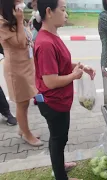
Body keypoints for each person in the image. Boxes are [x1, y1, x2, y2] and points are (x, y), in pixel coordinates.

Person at [33, 0, 95, 179]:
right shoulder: (45, 43)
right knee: (58, 139)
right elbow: (50, 80)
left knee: (59, 138)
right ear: (49, 12)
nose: (66, 14)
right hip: (53, 102)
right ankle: (60, 175)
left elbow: (62, 65)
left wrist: (81, 68)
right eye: (63, 10)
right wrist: (73, 76)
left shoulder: (52, 36)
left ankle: (59, 164)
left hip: (59, 100)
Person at [0, 0, 43, 146]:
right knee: (21, 102)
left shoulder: (14, 17)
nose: (22, 3)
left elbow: (26, 38)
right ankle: (27, 134)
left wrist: (20, 21)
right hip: (15, 69)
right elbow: (19, 42)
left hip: (25, 64)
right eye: (18, 1)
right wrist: (19, 21)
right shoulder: (2, 22)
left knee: (26, 99)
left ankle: (22, 129)